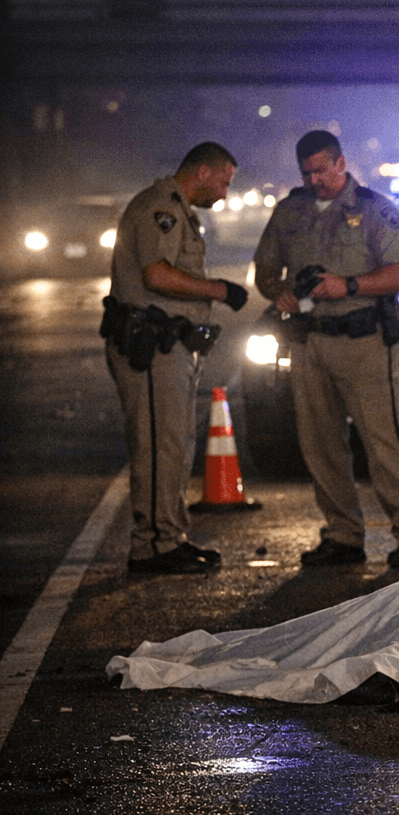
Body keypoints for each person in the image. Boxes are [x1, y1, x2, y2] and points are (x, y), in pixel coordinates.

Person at [253, 130, 399, 568]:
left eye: (322, 169)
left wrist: (349, 285)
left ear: (340, 163)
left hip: (365, 340)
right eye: (307, 172)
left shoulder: (375, 210)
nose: (315, 178)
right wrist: (278, 291)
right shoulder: (289, 211)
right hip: (310, 339)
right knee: (319, 443)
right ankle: (342, 534)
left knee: (383, 439)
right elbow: (264, 268)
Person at [103, 142, 247, 574]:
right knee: (155, 445)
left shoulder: (180, 211)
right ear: (201, 171)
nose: (224, 193)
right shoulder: (159, 208)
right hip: (150, 346)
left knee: (173, 444)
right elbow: (157, 274)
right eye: (223, 181)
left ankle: (169, 537)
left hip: (171, 346)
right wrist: (220, 289)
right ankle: (151, 547)